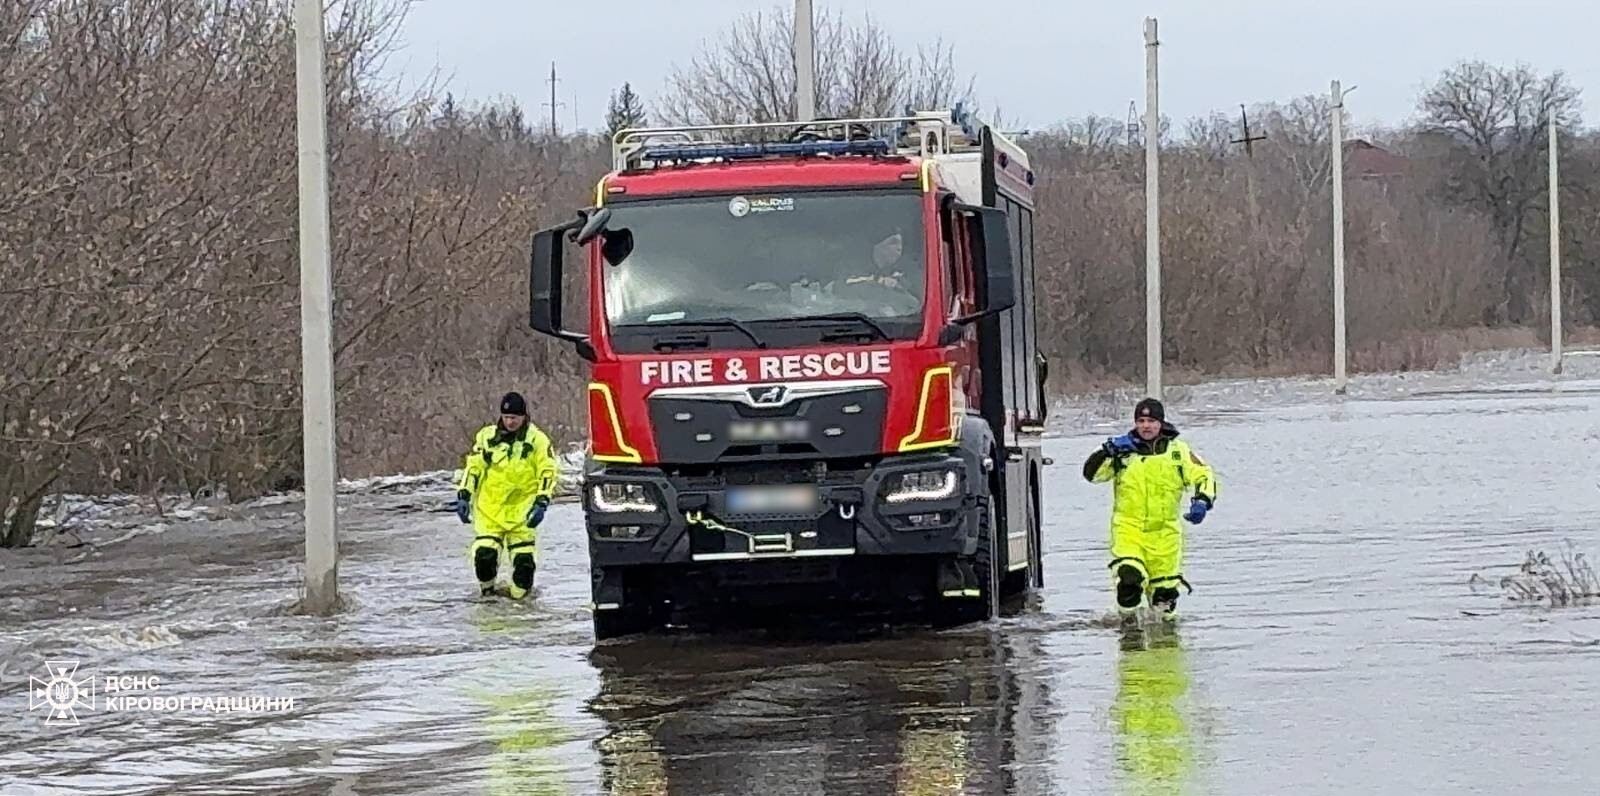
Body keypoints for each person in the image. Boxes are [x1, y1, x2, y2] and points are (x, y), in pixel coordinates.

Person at [1082, 397, 1217, 622]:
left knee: (1164, 602)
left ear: (1161, 423)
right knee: (1129, 580)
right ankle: (1128, 628)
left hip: (1165, 538)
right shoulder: (1123, 453)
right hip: (1129, 531)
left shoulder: (1178, 452)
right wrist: (1107, 451)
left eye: (1151, 421)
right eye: (1141, 420)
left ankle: (1164, 646)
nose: (1146, 426)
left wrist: (1202, 500)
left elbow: (1204, 475)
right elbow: (1092, 475)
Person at [454, 391, 560, 599]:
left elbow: (548, 471)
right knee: (484, 556)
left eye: (515, 418)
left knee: (524, 567)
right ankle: (487, 596)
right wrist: (464, 495)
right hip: (490, 511)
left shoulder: (537, 441)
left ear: (524, 417)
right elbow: (474, 468)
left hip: (522, 514)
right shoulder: (487, 438)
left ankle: (521, 607)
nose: (510, 422)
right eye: (506, 417)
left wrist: (542, 501)